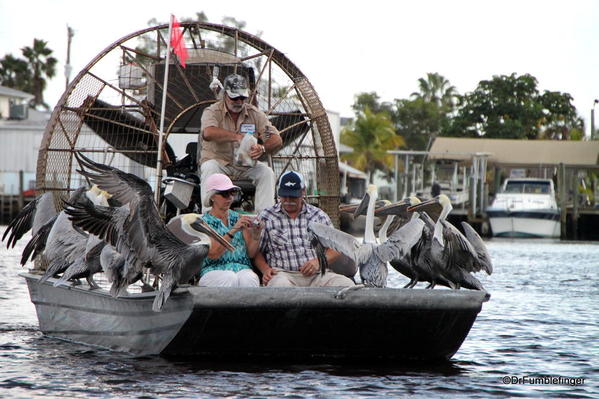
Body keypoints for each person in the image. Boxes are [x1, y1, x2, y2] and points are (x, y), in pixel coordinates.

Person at [254, 171, 355, 288]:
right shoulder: (266, 216)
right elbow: (256, 251)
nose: (288, 200)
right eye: (284, 196)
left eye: (293, 196)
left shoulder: (318, 215)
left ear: (303, 192)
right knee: (280, 286)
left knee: (346, 285)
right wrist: (265, 270)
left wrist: (318, 262)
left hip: (318, 275)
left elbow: (337, 248)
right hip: (282, 274)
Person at [199, 73, 282, 212]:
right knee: (209, 167)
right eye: (235, 97)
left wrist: (262, 148)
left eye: (243, 97)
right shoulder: (212, 111)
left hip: (246, 166)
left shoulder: (255, 114)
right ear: (225, 94)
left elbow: (276, 139)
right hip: (220, 163)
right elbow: (208, 133)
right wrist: (236, 137)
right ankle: (209, 218)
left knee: (267, 172)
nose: (239, 101)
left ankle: (264, 219)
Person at [198, 173, 262, 287]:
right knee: (229, 278)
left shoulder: (239, 217)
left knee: (249, 279)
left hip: (242, 268)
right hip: (212, 270)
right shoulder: (203, 222)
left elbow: (251, 254)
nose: (229, 198)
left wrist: (256, 235)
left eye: (232, 193)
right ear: (212, 196)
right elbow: (213, 253)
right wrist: (233, 230)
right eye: (224, 194)